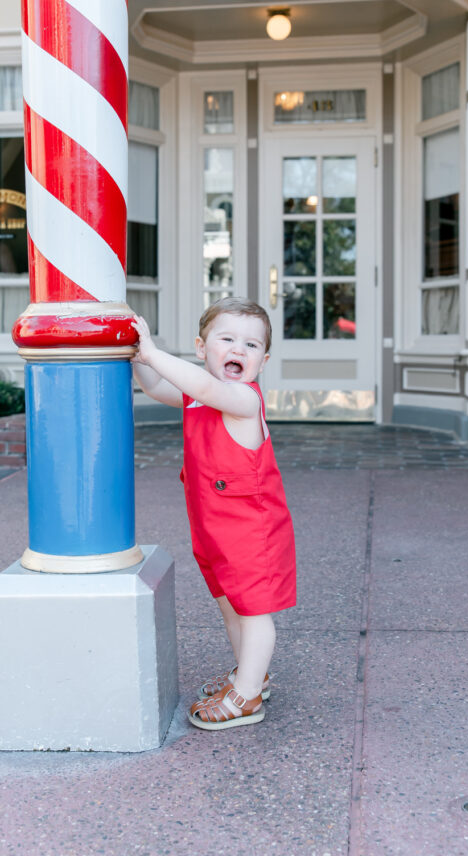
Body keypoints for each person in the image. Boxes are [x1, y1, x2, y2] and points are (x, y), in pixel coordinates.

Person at [132, 297, 296, 731]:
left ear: (264, 359)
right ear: (202, 348)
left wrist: (155, 352)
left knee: (254, 612)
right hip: (213, 528)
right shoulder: (198, 396)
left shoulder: (242, 399)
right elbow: (154, 386)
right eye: (227, 339)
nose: (239, 350)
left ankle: (247, 697)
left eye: (252, 345)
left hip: (251, 530)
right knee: (230, 607)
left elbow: (204, 388)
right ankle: (250, 675)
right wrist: (138, 356)